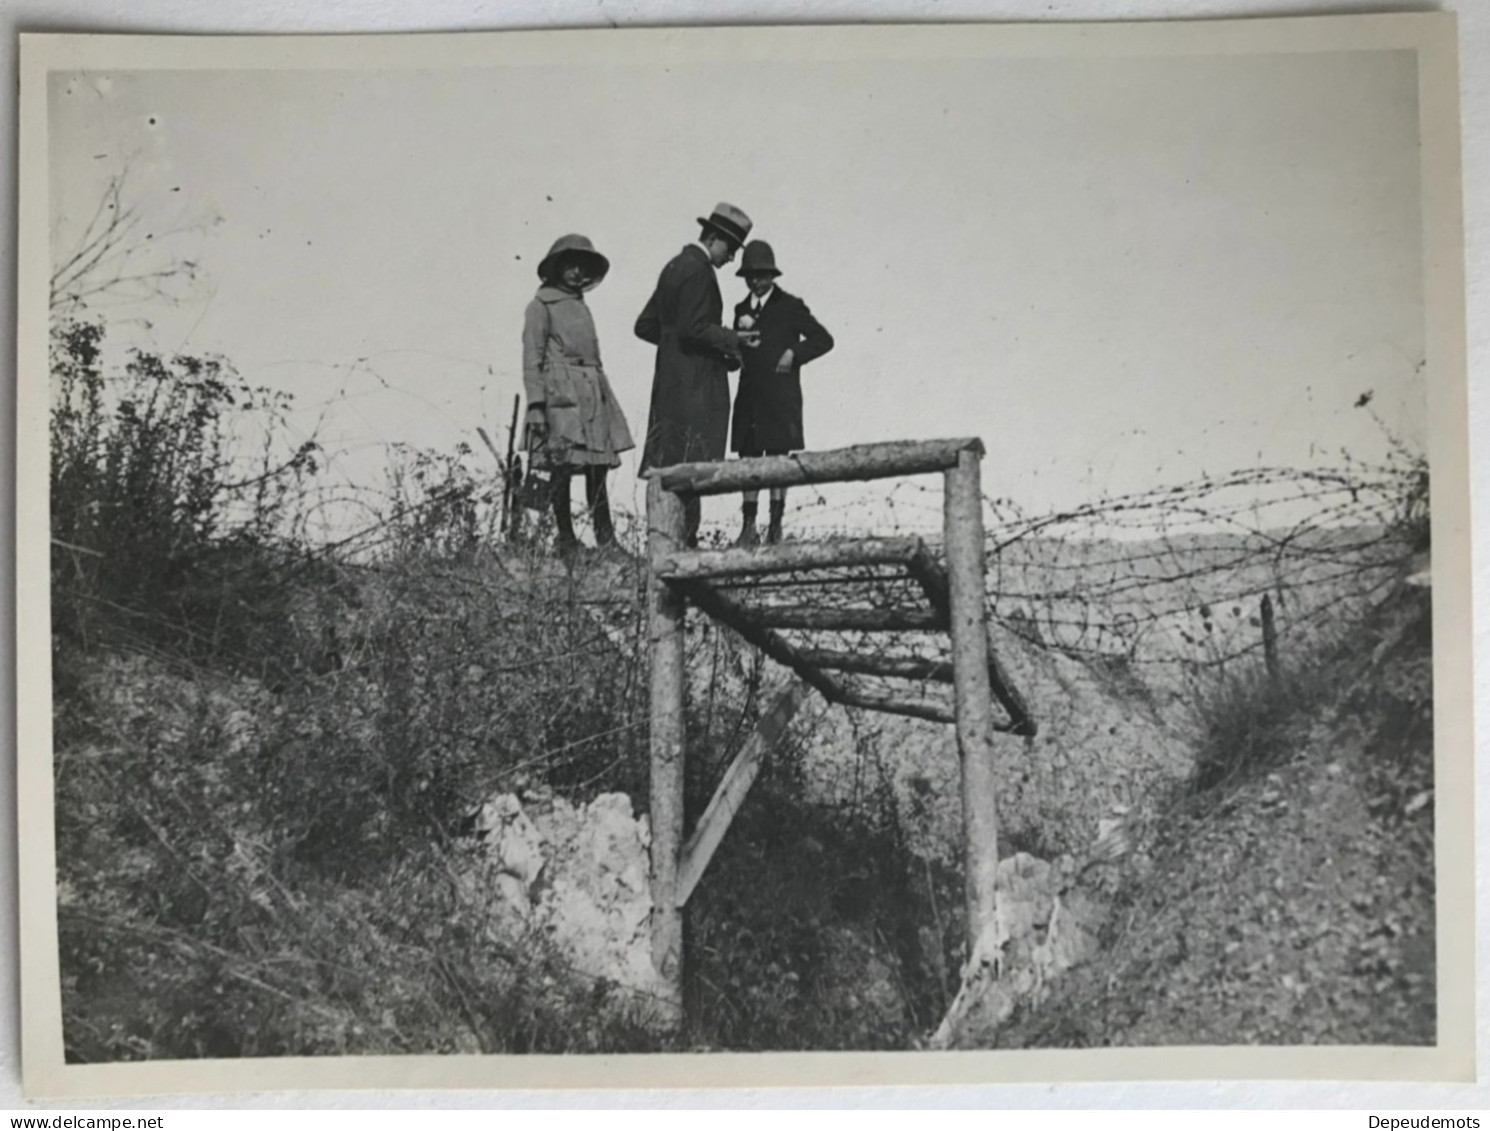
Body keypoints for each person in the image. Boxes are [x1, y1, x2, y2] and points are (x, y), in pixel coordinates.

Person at [635, 203, 752, 548]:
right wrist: (732, 340)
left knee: (671, 464)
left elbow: (646, 326)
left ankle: (668, 541)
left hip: (669, 385)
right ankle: (685, 544)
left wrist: (674, 351)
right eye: (730, 249)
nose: (731, 259)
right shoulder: (699, 272)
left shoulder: (674, 266)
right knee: (691, 465)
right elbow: (694, 328)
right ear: (713, 239)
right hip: (696, 389)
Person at [522, 233, 635, 559]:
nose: (576, 273)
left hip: (591, 394)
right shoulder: (540, 306)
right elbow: (532, 358)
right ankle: (566, 540)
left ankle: (606, 539)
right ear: (556, 268)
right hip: (561, 399)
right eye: (570, 266)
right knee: (560, 467)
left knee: (597, 470)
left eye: (582, 267)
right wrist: (536, 406)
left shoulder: (580, 306)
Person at [730, 240, 835, 545]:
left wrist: (794, 353)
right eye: (750, 275)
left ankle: (776, 526)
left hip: (780, 398)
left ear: (772, 275)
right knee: (748, 459)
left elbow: (823, 339)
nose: (756, 281)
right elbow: (737, 350)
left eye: (761, 275)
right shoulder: (740, 309)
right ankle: (748, 526)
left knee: (777, 458)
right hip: (750, 396)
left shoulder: (790, 306)